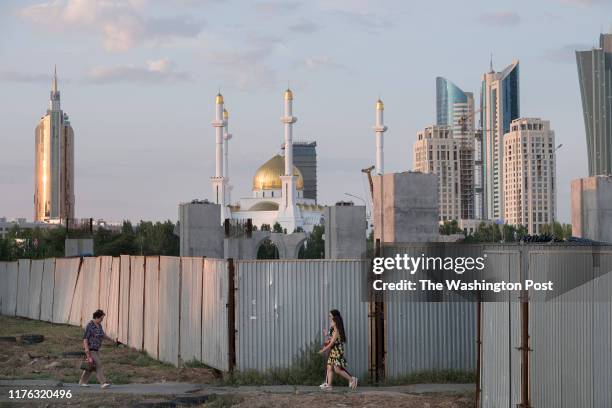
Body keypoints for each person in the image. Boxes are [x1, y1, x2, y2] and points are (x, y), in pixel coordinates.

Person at [318, 309, 358, 390]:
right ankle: (329, 385)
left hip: (337, 352)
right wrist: (326, 334)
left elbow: (331, 343)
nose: (330, 322)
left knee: (337, 370)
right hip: (333, 351)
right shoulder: (334, 330)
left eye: (331, 321)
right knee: (329, 368)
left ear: (335, 322)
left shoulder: (336, 332)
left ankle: (352, 379)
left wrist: (323, 350)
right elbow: (331, 339)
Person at [79, 309, 111, 389]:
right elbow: (85, 338)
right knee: (98, 364)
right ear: (96, 317)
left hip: (96, 350)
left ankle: (82, 382)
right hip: (90, 349)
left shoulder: (99, 325)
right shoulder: (89, 326)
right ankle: (103, 383)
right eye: (101, 318)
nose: (102, 320)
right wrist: (86, 350)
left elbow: (102, 334)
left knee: (91, 366)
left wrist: (111, 339)